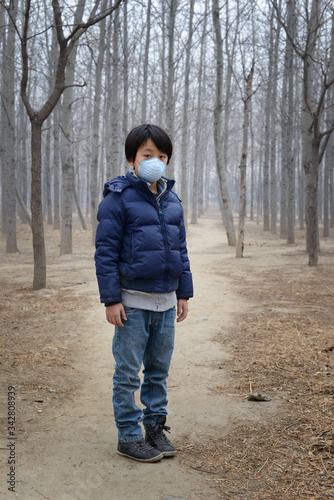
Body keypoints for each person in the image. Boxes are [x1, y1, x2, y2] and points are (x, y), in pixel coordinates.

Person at [95, 124, 193, 463]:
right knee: (127, 373)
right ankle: (128, 435)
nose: (155, 161)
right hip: (131, 304)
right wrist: (111, 299)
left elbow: (181, 250)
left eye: (161, 156)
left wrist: (184, 293)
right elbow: (105, 252)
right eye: (147, 155)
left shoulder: (172, 200)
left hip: (166, 303)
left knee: (157, 371)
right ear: (132, 160)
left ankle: (154, 428)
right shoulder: (117, 199)